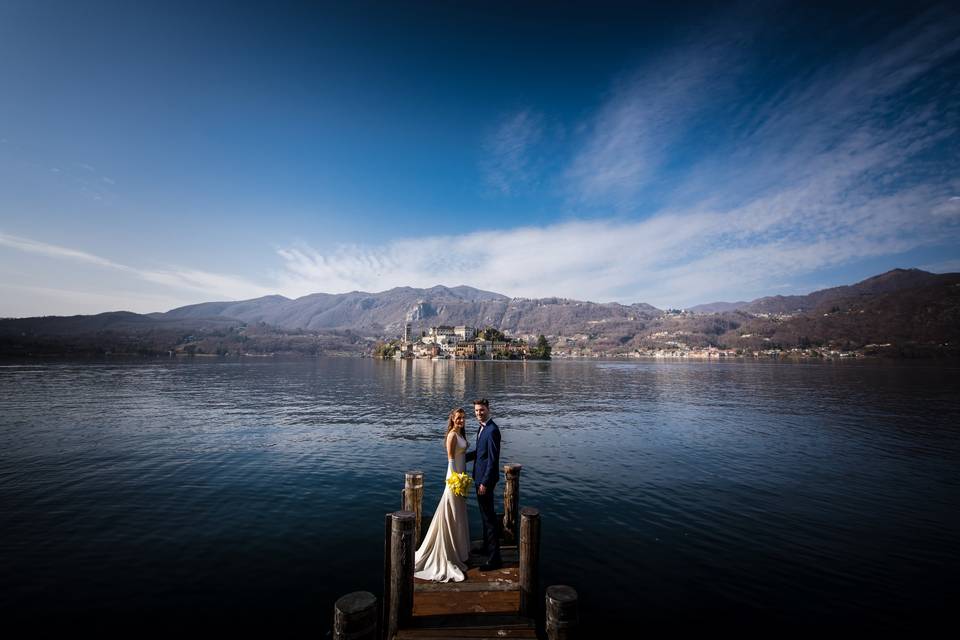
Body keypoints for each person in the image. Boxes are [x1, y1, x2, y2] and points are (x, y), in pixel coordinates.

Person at [414, 407, 471, 582]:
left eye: (463, 418)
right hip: (454, 477)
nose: (461, 420)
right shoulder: (452, 436)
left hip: (461, 476)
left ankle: (459, 550)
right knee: (451, 512)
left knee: (457, 513)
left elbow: (463, 456)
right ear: (452, 419)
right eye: (458, 418)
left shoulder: (461, 434)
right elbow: (451, 460)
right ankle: (448, 552)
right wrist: (455, 480)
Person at [465, 398, 502, 571]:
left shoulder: (493, 430)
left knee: (489, 519)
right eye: (477, 410)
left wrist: (485, 483)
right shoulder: (482, 428)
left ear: (488, 409)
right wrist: (461, 457)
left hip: (485, 481)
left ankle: (494, 559)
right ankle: (487, 547)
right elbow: (481, 454)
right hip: (479, 478)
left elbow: (493, 461)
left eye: (482, 410)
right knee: (485, 516)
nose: (479, 413)